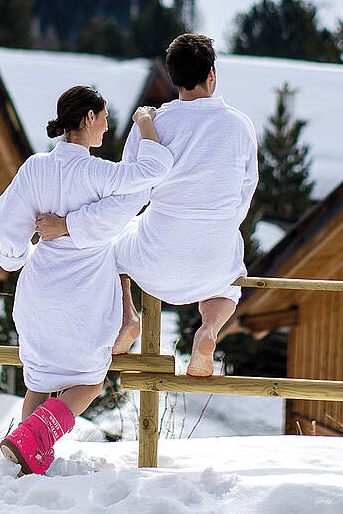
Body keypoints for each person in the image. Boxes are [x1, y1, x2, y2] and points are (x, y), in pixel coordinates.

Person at [35, 34, 259, 377]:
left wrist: (69, 224)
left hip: (154, 264)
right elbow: (246, 189)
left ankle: (128, 316)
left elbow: (130, 195)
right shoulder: (240, 125)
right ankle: (209, 330)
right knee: (231, 281)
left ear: (173, 77)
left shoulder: (154, 123)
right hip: (213, 261)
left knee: (113, 246)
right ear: (211, 74)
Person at [0, 85, 173, 476]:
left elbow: (8, 217)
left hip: (39, 284)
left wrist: (17, 255)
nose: (107, 128)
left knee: (39, 379)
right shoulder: (98, 173)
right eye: (106, 119)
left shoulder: (36, 167)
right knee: (90, 379)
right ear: (88, 118)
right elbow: (153, 175)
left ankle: (29, 460)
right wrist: (144, 123)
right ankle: (31, 441)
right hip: (83, 293)